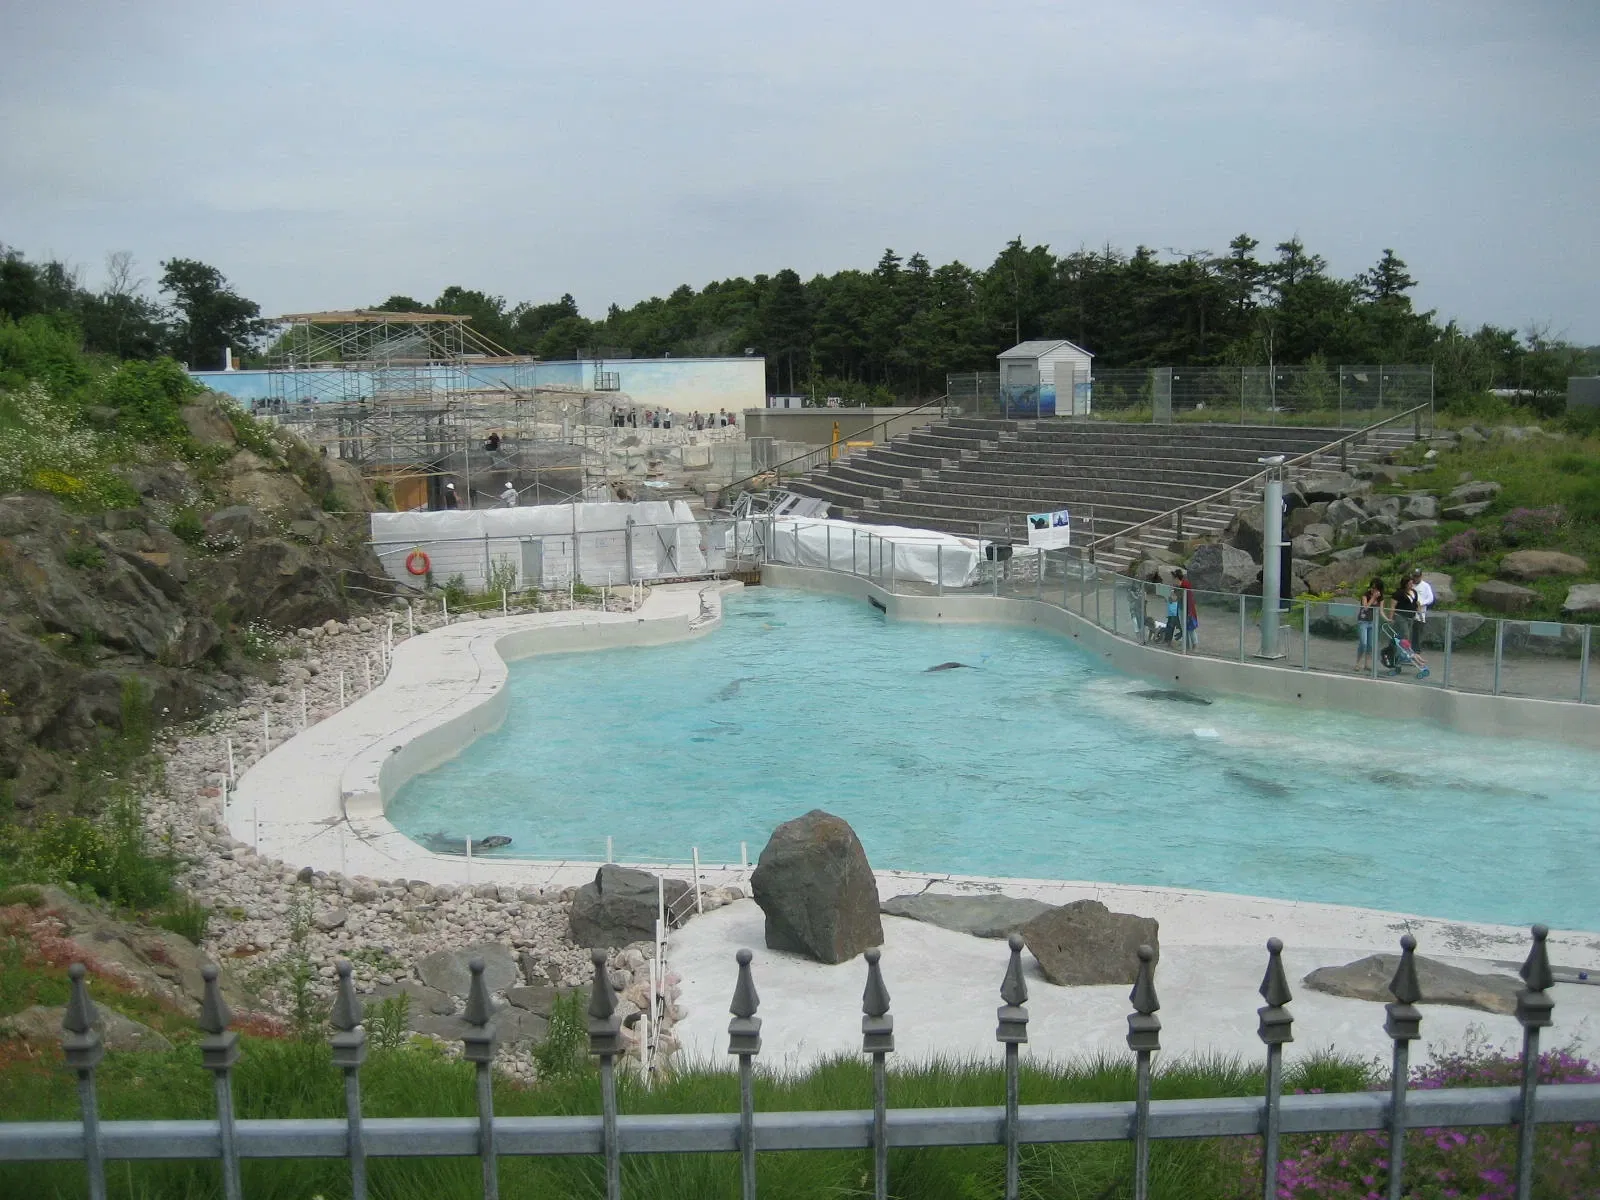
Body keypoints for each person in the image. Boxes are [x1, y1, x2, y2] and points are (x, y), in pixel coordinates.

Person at [1355, 577, 1383, 672]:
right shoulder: (1365, 595)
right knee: (1363, 643)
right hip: (1363, 621)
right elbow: (1365, 608)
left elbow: (1381, 610)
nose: (1373, 590)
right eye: (1372, 587)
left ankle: (1367, 664)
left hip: (1373, 622)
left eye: (1376, 588)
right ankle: (1357, 663)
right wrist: (1373, 598)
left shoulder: (1380, 597)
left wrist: (1388, 619)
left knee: (1370, 645)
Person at [1176, 567, 1198, 649]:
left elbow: (1187, 598)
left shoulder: (1185, 585)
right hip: (1182, 608)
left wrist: (1189, 612)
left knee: (1190, 627)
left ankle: (1194, 644)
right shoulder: (1180, 585)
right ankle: (1186, 644)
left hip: (1187, 609)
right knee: (1184, 627)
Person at [1412, 567, 1434, 643]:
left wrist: (1421, 603)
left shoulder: (1426, 586)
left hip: (1420, 616)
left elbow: (1431, 599)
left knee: (1417, 636)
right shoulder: (1410, 584)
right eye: (1414, 576)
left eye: (1417, 576)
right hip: (1410, 615)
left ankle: (1416, 649)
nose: (1416, 578)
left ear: (1421, 576)